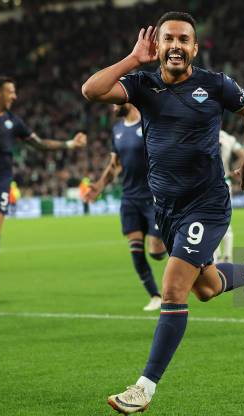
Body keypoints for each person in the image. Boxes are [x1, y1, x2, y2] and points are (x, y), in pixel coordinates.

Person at [82, 12, 244, 414]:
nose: (176, 46)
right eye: (168, 39)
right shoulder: (142, 84)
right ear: (157, 46)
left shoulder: (214, 84)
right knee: (206, 288)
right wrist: (131, 59)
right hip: (168, 209)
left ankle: (144, 388)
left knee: (174, 287)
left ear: (195, 48)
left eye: (184, 40)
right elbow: (92, 90)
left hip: (207, 204)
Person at [0, 76, 87, 302]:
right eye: (11, 91)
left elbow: (39, 143)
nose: (15, 96)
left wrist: (69, 144)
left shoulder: (13, 121)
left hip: (0, 180)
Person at [84, 103, 166, 311]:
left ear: (128, 100)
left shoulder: (149, 122)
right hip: (129, 198)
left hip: (153, 195)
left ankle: (185, 255)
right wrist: (99, 186)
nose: (112, 107)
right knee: (135, 250)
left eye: (115, 102)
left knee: (156, 251)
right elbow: (115, 165)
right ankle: (155, 296)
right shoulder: (117, 130)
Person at [214, 130, 244, 262]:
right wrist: (235, 170)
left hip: (205, 183)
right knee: (224, 220)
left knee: (208, 221)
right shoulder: (228, 137)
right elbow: (242, 154)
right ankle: (227, 256)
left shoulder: (201, 130)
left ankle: (215, 257)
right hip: (224, 181)